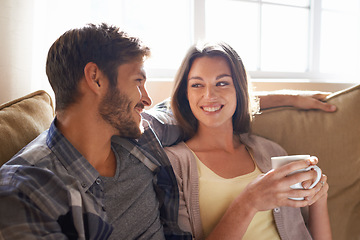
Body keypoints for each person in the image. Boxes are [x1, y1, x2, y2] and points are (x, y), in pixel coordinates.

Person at [0, 23, 335, 239]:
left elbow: (210, 106)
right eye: (138, 82)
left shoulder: (142, 135)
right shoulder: (24, 191)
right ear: (96, 79)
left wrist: (289, 98)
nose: (147, 99)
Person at [164, 42, 332, 240]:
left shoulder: (271, 151)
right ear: (186, 93)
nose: (209, 95)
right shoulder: (173, 165)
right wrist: (249, 202)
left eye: (222, 83)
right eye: (197, 85)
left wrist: (319, 198)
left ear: (239, 89)